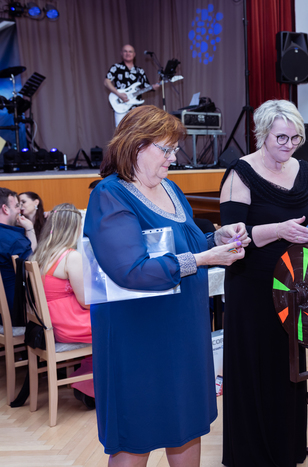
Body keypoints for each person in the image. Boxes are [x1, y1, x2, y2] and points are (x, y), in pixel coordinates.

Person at [84, 105, 248, 465]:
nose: (174, 158)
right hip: (137, 338)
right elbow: (132, 270)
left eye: (175, 149)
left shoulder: (170, 187)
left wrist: (217, 239)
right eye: (167, 149)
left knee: (186, 425)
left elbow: (187, 245)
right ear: (136, 146)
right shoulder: (110, 195)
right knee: (135, 434)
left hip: (183, 330)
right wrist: (203, 259)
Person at [219, 99, 308, 466]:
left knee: (287, 368)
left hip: (293, 286)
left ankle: (286, 448)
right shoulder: (240, 173)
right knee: (255, 368)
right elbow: (232, 239)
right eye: (281, 137)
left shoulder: (304, 170)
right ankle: (252, 455)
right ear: (263, 134)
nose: (289, 145)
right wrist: (278, 230)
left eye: (296, 138)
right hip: (252, 286)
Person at [30, 203, 94, 406]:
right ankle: (90, 385)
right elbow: (85, 302)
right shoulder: (70, 256)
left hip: (50, 322)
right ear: (74, 228)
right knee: (116, 326)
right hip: (67, 324)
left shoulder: (41, 253)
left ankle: (87, 382)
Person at [104, 44, 160, 126]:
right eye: (125, 51)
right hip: (121, 106)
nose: (128, 53)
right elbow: (106, 82)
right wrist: (119, 94)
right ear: (121, 53)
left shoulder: (140, 71)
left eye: (130, 51)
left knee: (136, 132)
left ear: (134, 54)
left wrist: (154, 87)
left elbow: (146, 86)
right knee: (121, 130)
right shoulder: (116, 67)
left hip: (136, 108)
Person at [0, 187, 35, 313]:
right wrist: (30, 230)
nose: (20, 210)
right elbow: (34, 273)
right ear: (5, 209)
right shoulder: (15, 241)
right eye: (16, 206)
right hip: (15, 314)